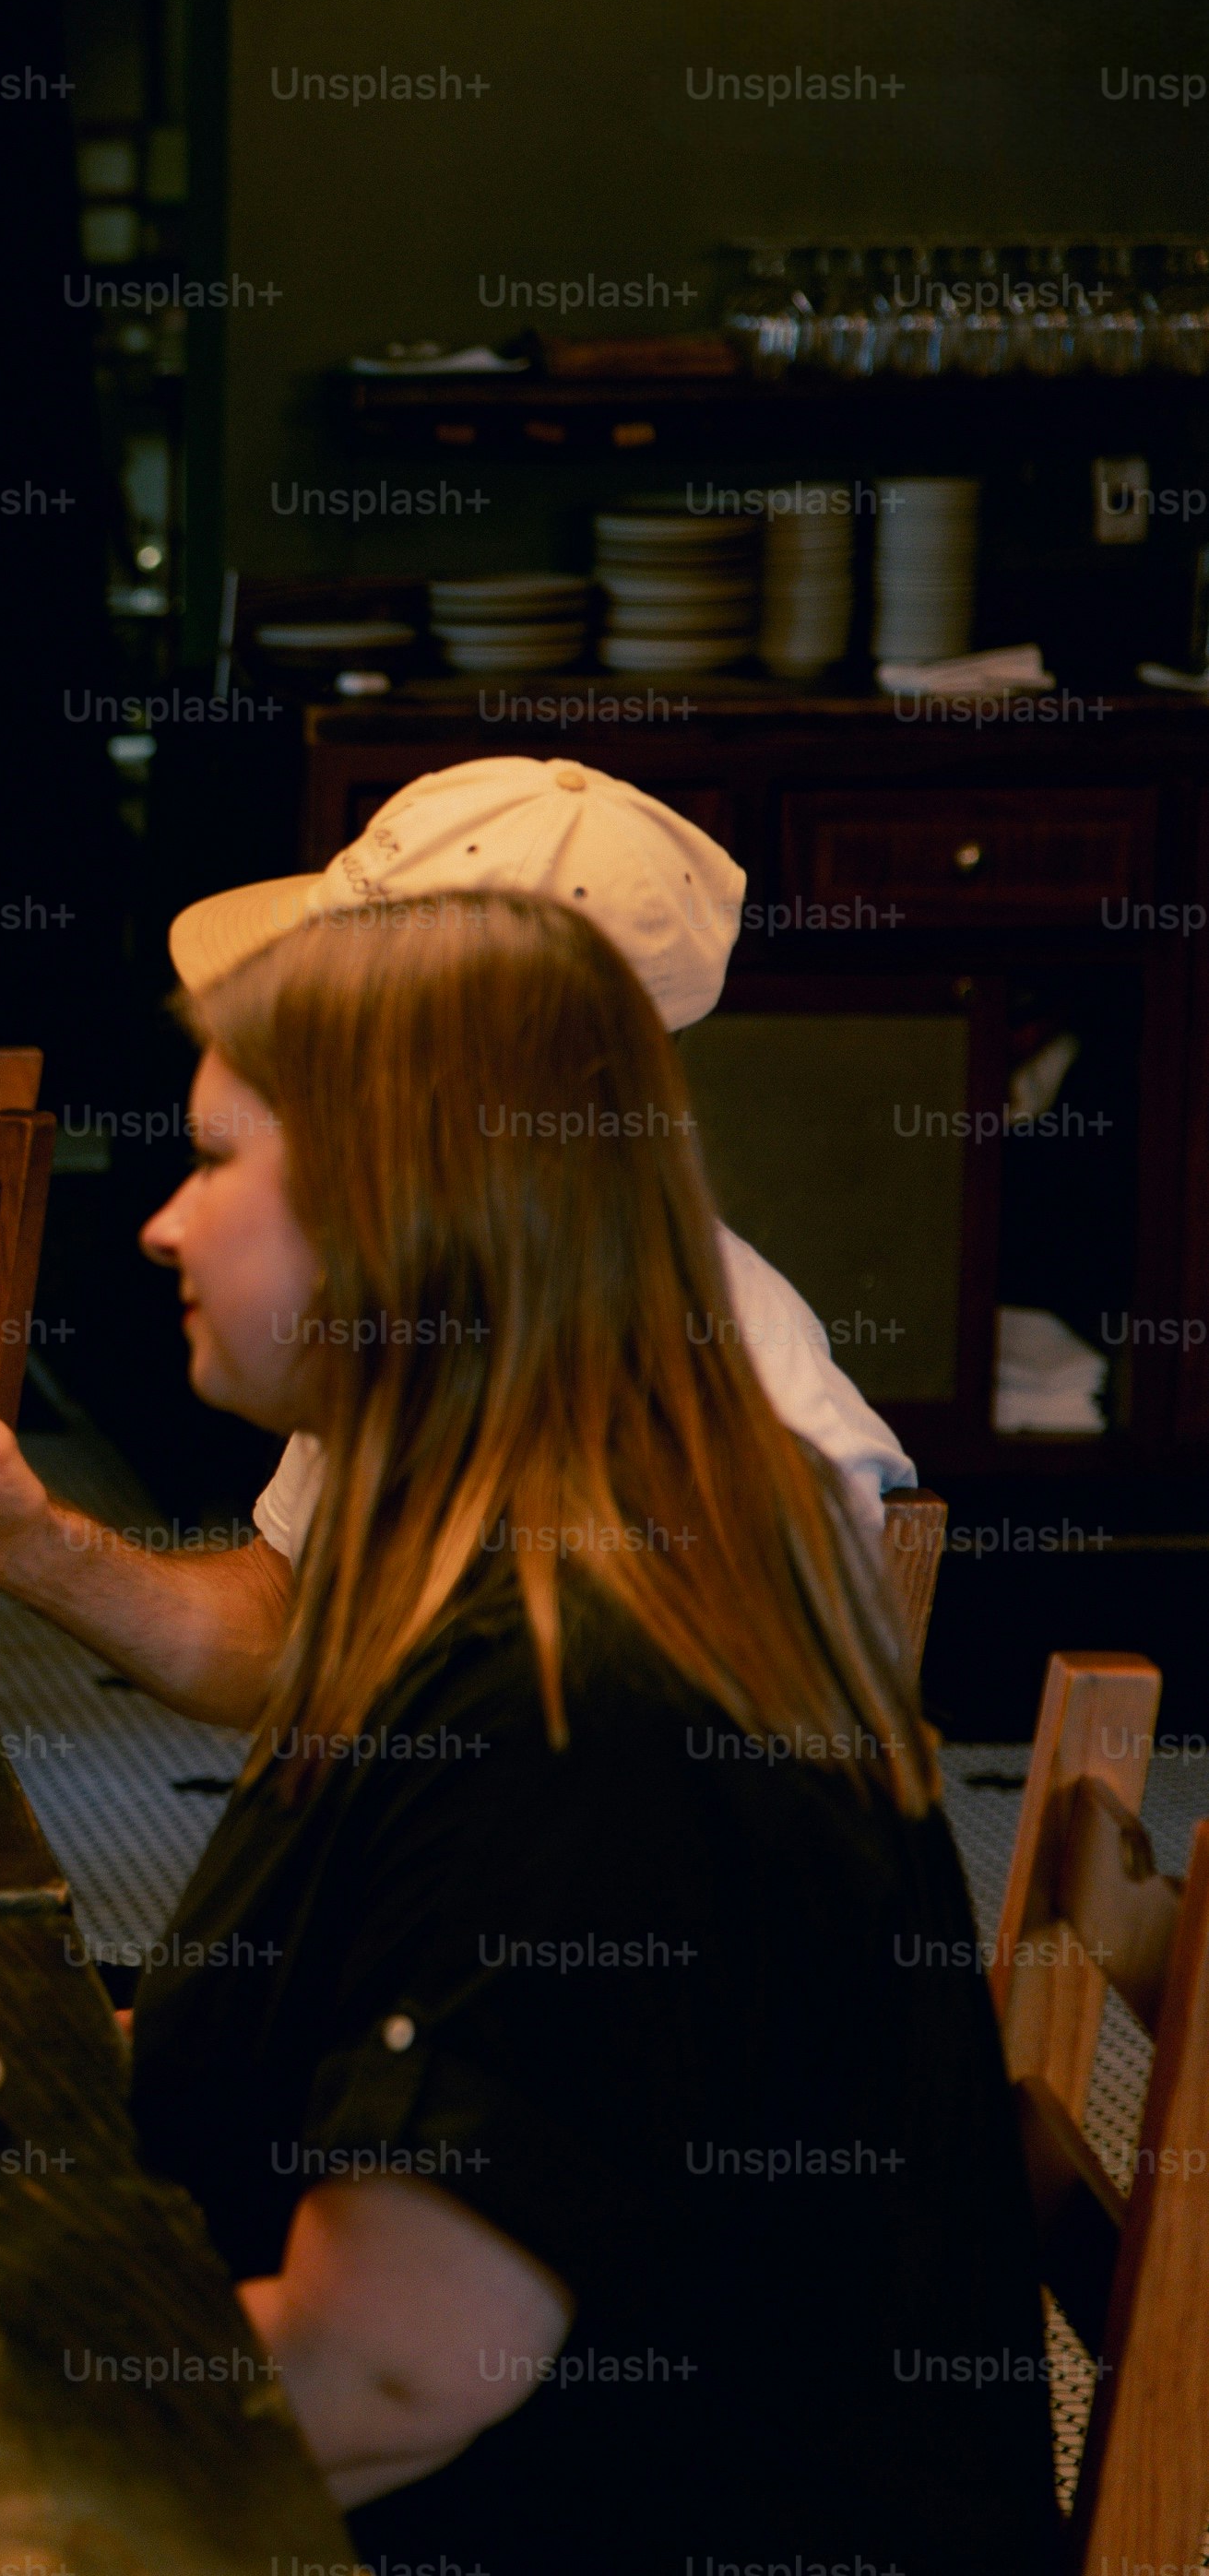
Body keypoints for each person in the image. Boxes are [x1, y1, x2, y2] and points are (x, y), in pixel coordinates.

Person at [89, 891, 1049, 2566]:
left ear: (400, 1202)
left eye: (214, 1159)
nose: (162, 1226)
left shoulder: (563, 1693)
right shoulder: (525, 1569)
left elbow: (386, 2373)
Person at [0, 756, 915, 1725]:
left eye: (225, 1153)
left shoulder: (721, 1475)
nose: (164, 1229)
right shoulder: (432, 1293)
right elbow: (290, 1627)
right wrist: (34, 1545)